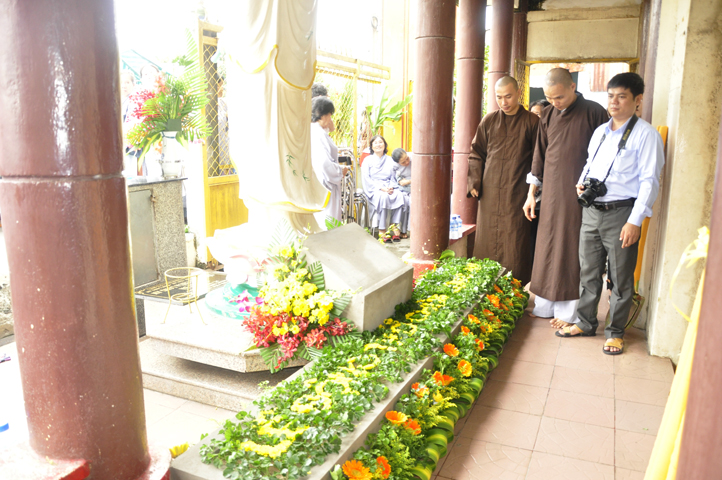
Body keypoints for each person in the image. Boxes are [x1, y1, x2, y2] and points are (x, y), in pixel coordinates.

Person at [556, 73, 664, 355]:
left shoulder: (646, 135)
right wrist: (582, 182)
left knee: (620, 277)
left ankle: (615, 332)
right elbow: (590, 163)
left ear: (637, 100)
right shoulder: (601, 132)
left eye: (621, 96)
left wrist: (634, 221)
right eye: (610, 96)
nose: (614, 102)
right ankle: (585, 322)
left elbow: (650, 182)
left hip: (622, 213)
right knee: (588, 271)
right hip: (592, 211)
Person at [523, 68, 608, 328]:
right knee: (547, 244)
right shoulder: (548, 114)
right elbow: (539, 154)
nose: (554, 102)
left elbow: (604, 155)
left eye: (558, 97)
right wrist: (531, 194)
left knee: (571, 247)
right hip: (550, 193)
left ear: (572, 87)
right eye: (550, 98)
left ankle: (570, 312)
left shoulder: (594, 112)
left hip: (578, 194)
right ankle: (545, 305)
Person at [467, 76, 539, 284]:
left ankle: (514, 288)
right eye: (499, 97)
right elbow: (476, 152)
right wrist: (474, 181)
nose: (504, 102)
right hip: (489, 191)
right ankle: (484, 285)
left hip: (517, 192)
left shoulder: (532, 122)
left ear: (518, 93)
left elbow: (539, 158)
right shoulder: (489, 120)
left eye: (508, 96)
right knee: (487, 239)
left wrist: (532, 192)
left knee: (514, 240)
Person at [362, 135, 408, 241]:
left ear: (385, 145)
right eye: (375, 143)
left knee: (400, 195)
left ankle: (394, 224)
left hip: (388, 185)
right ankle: (382, 228)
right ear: (371, 146)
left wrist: (391, 187)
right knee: (383, 197)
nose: (378, 145)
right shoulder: (367, 160)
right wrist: (381, 188)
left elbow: (393, 177)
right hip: (374, 188)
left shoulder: (390, 160)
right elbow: (366, 179)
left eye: (380, 142)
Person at [311, 96, 348, 227]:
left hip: (324, 183)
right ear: (322, 114)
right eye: (330, 114)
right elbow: (324, 163)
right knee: (327, 221)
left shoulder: (317, 131)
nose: (331, 118)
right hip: (325, 184)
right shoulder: (317, 133)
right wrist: (340, 171)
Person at [391, 148, 411, 238]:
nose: (407, 162)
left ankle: (411, 229)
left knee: (413, 202)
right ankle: (402, 229)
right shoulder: (394, 166)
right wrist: (400, 181)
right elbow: (396, 179)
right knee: (403, 202)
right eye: (403, 162)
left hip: (416, 186)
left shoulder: (415, 158)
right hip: (403, 189)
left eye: (407, 158)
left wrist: (409, 181)